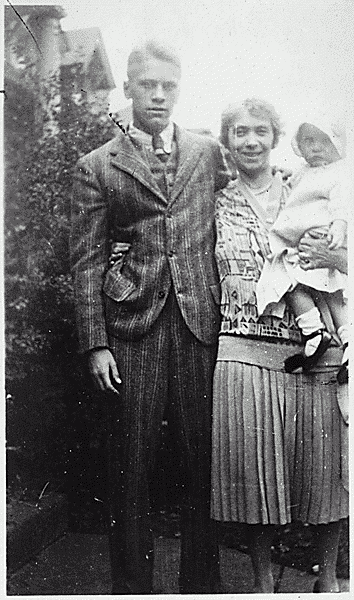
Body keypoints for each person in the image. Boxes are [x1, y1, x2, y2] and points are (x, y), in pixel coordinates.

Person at [70, 40, 229, 594]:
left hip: (198, 327)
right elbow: (86, 259)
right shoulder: (97, 166)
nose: (158, 95)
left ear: (178, 90)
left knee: (200, 468)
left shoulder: (208, 153)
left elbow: (250, 206)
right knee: (129, 470)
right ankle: (132, 589)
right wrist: (95, 343)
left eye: (168, 86)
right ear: (129, 89)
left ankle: (200, 587)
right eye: (148, 85)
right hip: (130, 332)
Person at [210, 98, 348, 593]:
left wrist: (334, 254)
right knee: (254, 484)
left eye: (261, 131)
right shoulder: (213, 200)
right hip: (243, 351)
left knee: (327, 479)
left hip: (316, 351)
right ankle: (264, 586)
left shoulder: (309, 187)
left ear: (275, 137)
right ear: (226, 142)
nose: (250, 141)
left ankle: (329, 582)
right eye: (240, 132)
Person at [256, 118, 348, 382]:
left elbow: (342, 203)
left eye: (323, 141)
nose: (316, 148)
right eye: (309, 142)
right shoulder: (304, 171)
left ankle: (318, 333)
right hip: (303, 237)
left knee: (290, 276)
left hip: (321, 235)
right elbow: (290, 182)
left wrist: (339, 227)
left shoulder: (340, 172)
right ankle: (327, 336)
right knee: (326, 289)